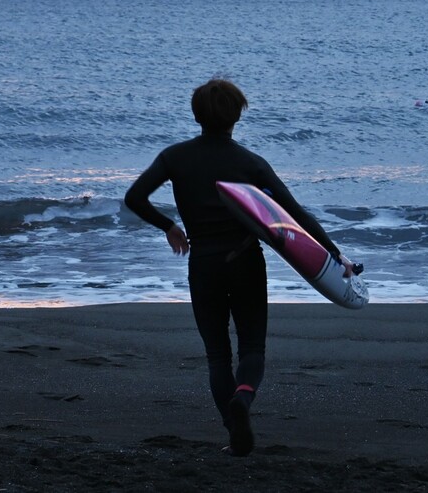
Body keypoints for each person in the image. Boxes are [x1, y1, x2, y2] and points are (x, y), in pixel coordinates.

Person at [123, 79, 355, 457]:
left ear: (196, 114)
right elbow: (295, 215)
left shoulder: (175, 157)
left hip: (203, 263)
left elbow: (134, 197)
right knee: (251, 348)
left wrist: (168, 226)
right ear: (237, 116)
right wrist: (334, 254)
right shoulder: (250, 162)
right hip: (245, 261)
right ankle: (243, 400)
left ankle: (234, 432)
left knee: (217, 355)